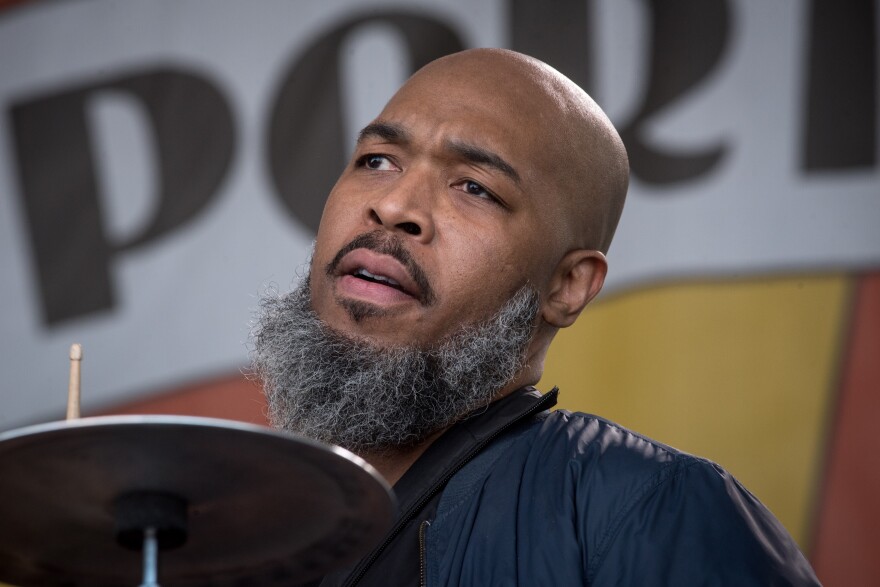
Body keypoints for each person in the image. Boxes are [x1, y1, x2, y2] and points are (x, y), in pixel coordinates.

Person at [252, 48, 820, 586]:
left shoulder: (652, 509)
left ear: (568, 285)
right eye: (377, 160)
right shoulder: (221, 531)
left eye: (474, 187)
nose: (395, 206)